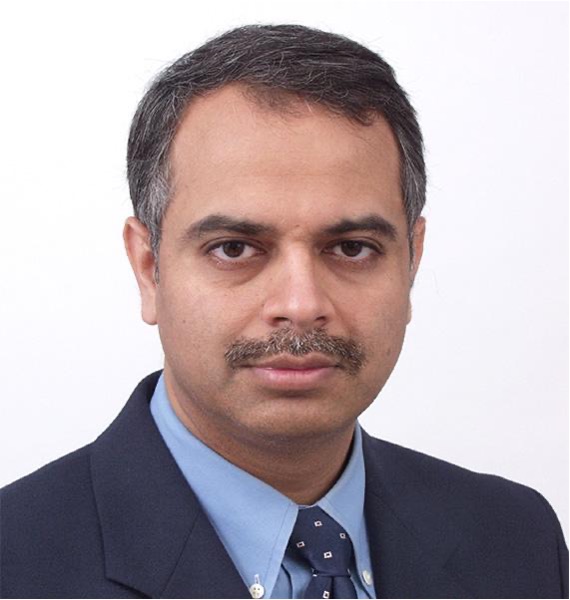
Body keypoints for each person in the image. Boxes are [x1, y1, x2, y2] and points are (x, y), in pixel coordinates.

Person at [0, 23, 567, 599]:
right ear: (149, 268)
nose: (301, 305)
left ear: (412, 261)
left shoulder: (518, 540)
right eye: (234, 249)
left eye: (352, 249)